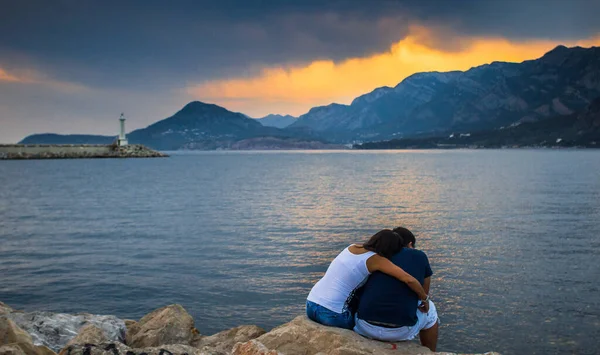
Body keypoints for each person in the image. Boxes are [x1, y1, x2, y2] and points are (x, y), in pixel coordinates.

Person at [306, 229, 429, 330]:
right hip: (332, 315)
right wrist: (424, 298)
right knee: (362, 322)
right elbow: (408, 279)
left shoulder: (352, 247)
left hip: (311, 305)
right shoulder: (376, 260)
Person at [354, 227, 439, 351]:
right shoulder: (419, 256)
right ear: (410, 244)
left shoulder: (376, 255)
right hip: (400, 331)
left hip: (364, 326)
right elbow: (423, 294)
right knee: (430, 310)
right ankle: (430, 352)